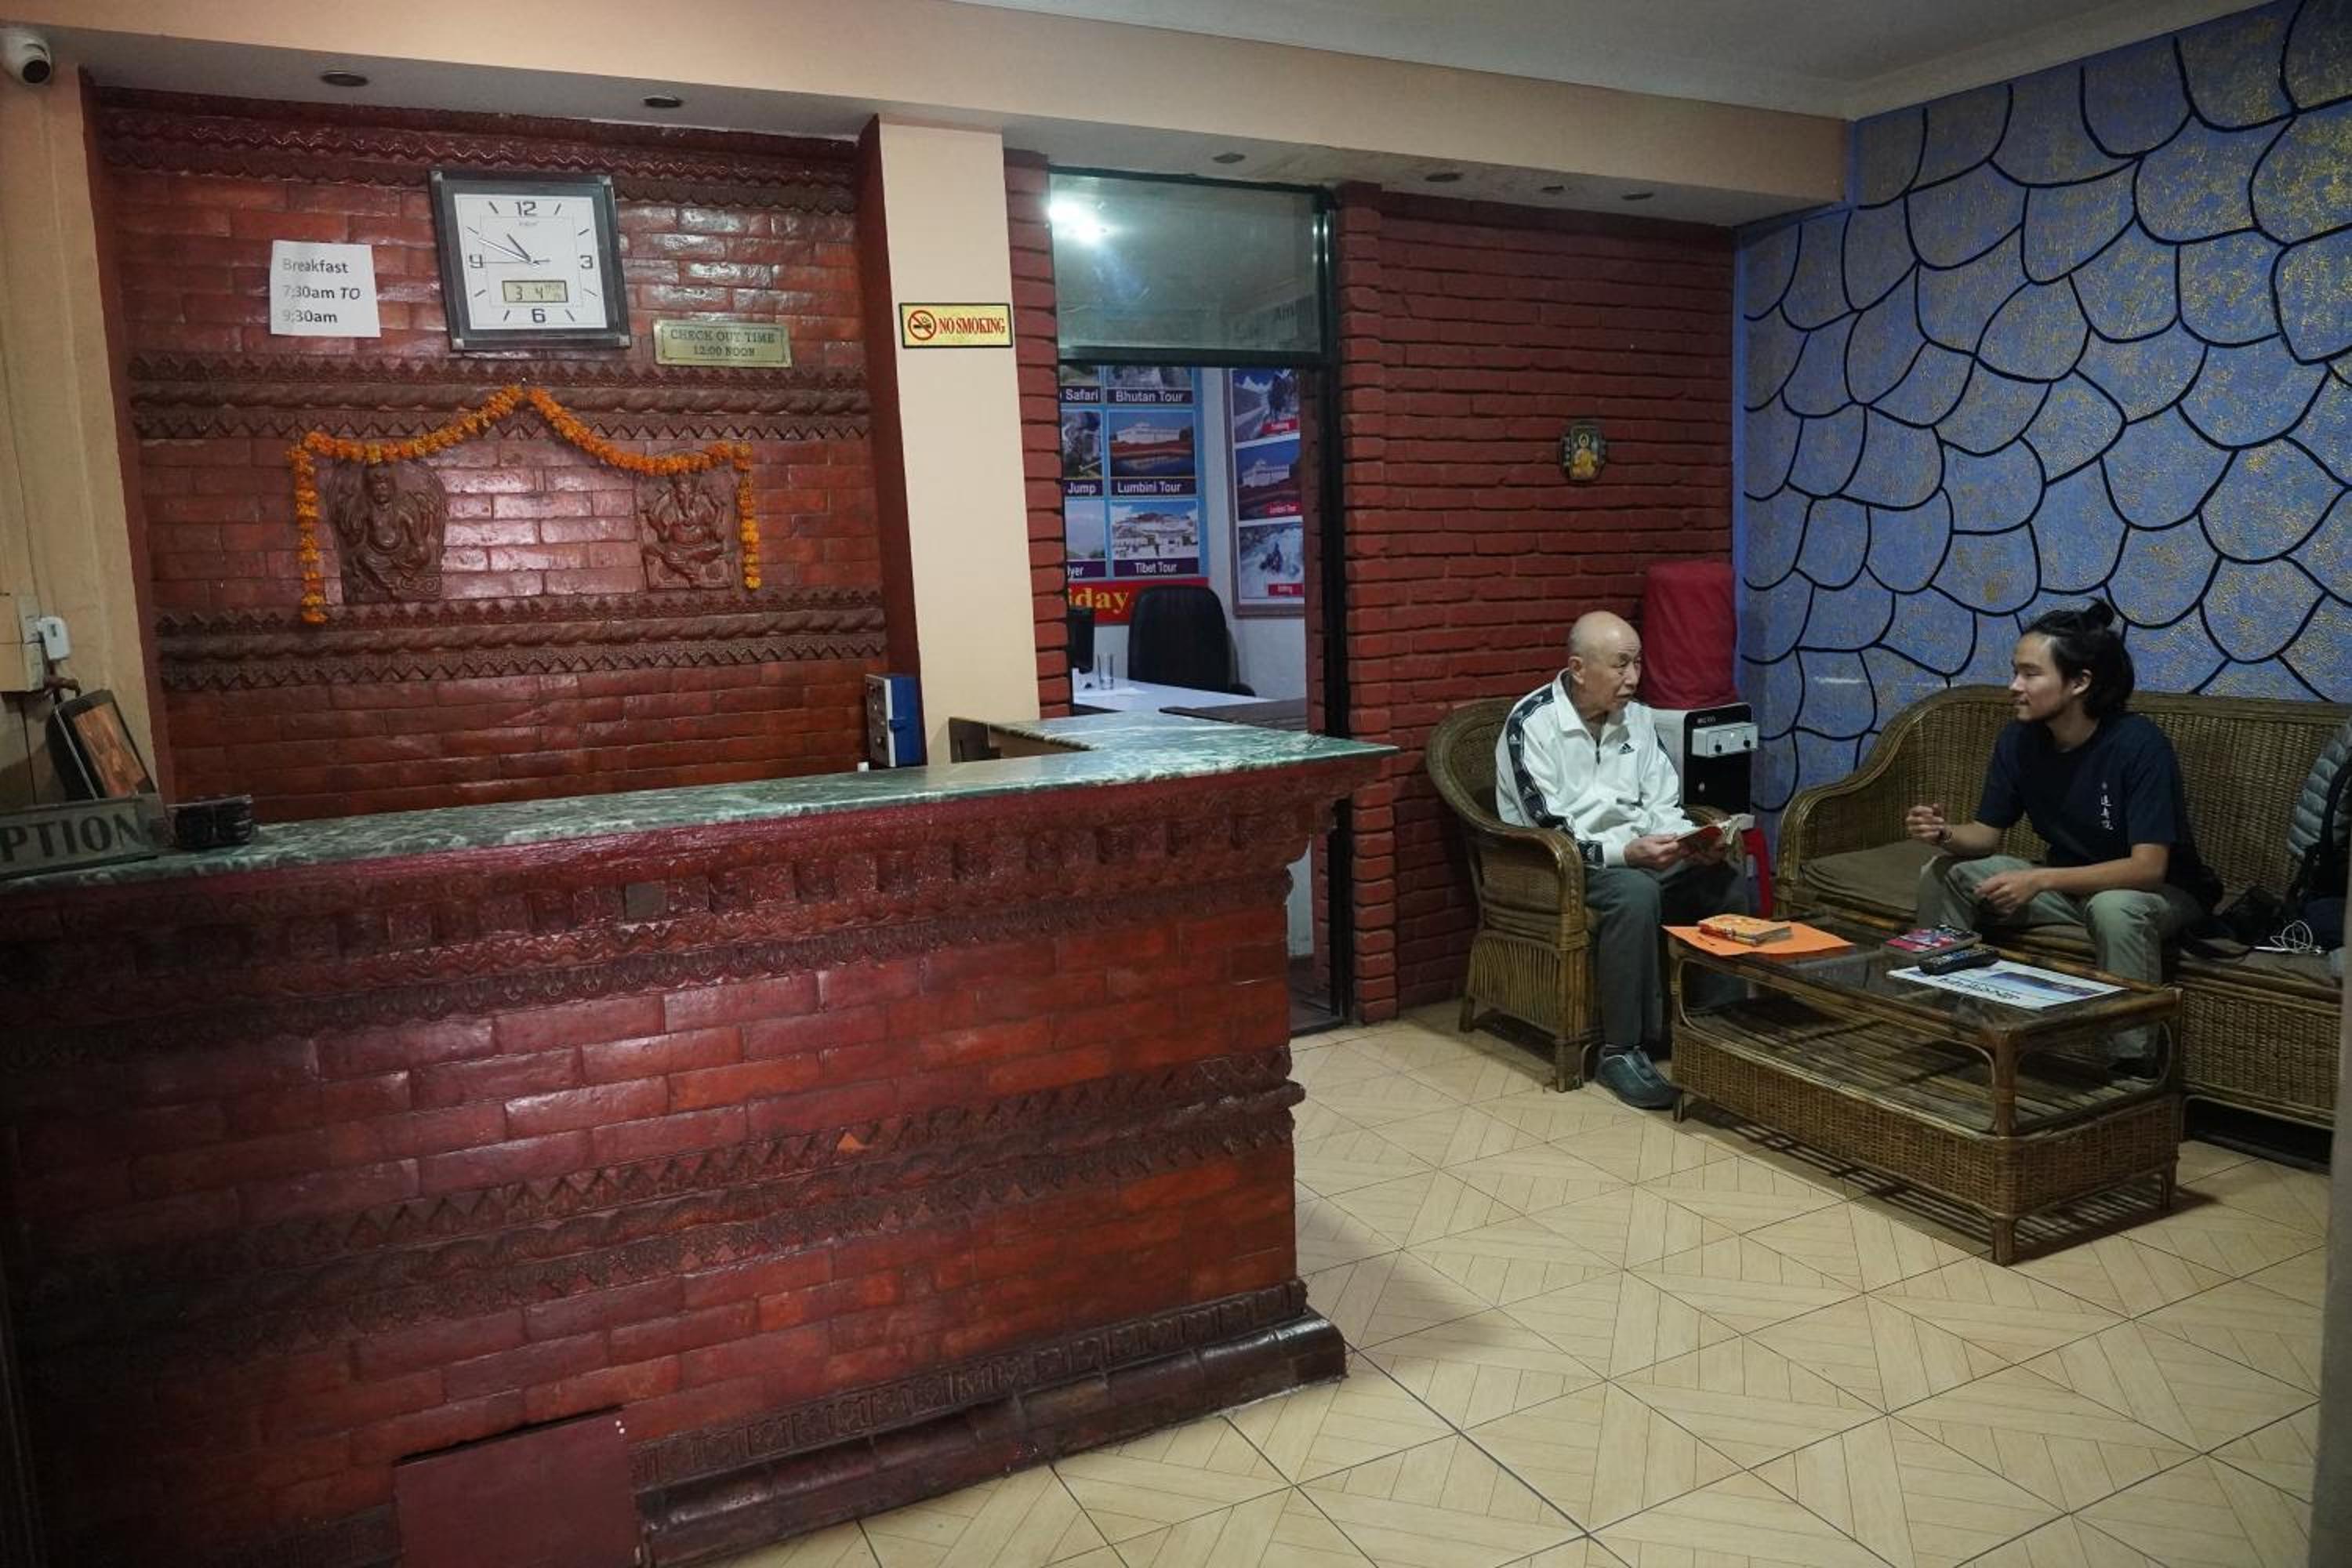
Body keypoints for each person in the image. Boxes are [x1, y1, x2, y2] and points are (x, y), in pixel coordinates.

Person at [1906, 601, 2221, 1075]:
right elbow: (1985, 837)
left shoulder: (2138, 745)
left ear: (2079, 682)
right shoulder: (2019, 739)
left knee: (2114, 908)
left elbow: (2148, 867)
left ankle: (2132, 1066)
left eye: (2030, 674)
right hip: (2071, 885)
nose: (2014, 686)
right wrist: (1943, 833)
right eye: (2015, 672)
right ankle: (1950, 1020)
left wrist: (2040, 880)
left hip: (2159, 891)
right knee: (1946, 873)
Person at [1494, 611, 1748, 1108]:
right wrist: (1624, 853)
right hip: (1560, 866)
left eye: (1637, 664)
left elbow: (1662, 801)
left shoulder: (1638, 719)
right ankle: (1622, 1051)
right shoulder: (1532, 725)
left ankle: (1716, 1030)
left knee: (1724, 880)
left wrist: (1690, 841)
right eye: (1620, 665)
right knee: (1635, 892)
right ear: (1578, 669)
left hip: (1640, 853)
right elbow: (1549, 828)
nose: (1633, 677)